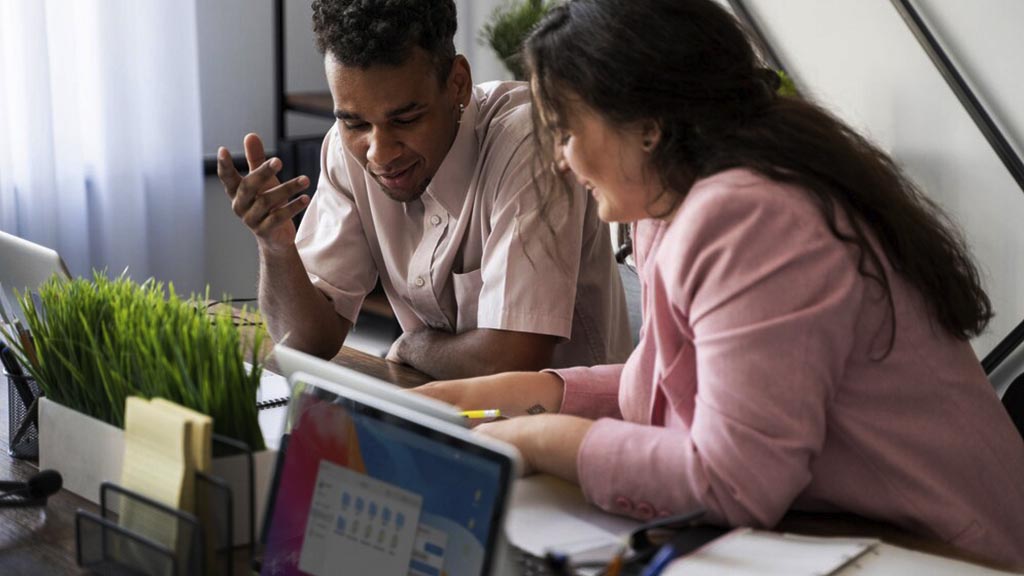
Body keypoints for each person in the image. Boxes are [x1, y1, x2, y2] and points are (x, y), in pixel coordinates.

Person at [413, 0, 1024, 568]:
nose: (559, 160)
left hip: (944, 552)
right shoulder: (674, 204)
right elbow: (665, 384)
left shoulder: (749, 214)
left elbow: (732, 481)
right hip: (857, 535)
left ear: (647, 125)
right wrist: (486, 396)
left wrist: (541, 438)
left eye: (567, 132)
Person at [216, 0, 631, 379]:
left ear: (458, 85)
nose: (379, 153)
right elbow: (306, 342)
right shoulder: (345, 153)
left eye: (406, 119)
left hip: (566, 439)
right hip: (449, 417)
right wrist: (276, 248)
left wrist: (415, 345)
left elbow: (511, 361)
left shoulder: (528, 142)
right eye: (355, 123)